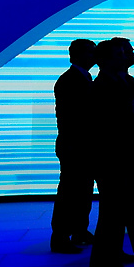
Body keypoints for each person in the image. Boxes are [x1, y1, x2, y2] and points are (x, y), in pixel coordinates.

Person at [87, 38, 134, 267]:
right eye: (121, 54)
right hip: (113, 163)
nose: (127, 57)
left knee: (116, 218)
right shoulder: (100, 88)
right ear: (107, 60)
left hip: (128, 160)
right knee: (110, 220)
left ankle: (112, 266)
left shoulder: (124, 82)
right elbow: (106, 130)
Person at [50, 38, 97, 254]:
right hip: (75, 145)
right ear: (77, 55)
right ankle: (60, 236)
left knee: (82, 189)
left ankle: (79, 230)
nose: (94, 56)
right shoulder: (71, 80)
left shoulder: (79, 78)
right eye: (90, 52)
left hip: (78, 145)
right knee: (71, 192)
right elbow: (74, 118)